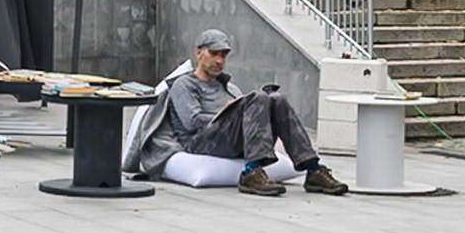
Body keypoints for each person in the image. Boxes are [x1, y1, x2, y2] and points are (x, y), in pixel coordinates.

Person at [125, 29, 348, 197]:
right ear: (198, 53)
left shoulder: (228, 87)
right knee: (258, 97)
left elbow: (252, 120)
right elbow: (192, 122)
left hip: (232, 139)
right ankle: (251, 173)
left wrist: (240, 112)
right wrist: (226, 114)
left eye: (224, 55)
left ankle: (313, 170)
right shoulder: (184, 84)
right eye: (214, 54)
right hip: (200, 141)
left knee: (275, 99)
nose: (219, 61)